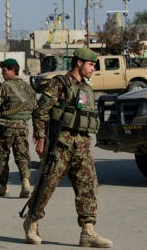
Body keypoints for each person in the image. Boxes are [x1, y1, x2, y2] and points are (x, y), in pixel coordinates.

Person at [22, 48, 113, 248]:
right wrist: (40, 138)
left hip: (81, 145)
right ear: (79, 63)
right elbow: (40, 111)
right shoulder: (58, 84)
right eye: (91, 64)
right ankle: (32, 222)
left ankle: (87, 231)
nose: (93, 68)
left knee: (88, 186)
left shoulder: (86, 88)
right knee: (46, 185)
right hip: (60, 145)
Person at [0, 58, 36, 198]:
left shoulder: (4, 87)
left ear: (12, 70)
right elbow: (36, 109)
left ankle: (3, 186)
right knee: (23, 156)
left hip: (6, 128)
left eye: (4, 70)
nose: (2, 73)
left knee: (3, 156)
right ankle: (25, 183)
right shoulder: (27, 87)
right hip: (22, 128)